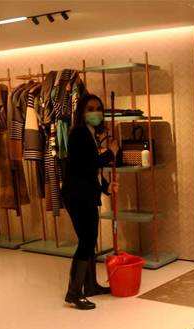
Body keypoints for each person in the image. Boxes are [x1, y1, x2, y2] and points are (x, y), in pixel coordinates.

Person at [62, 94, 119, 310]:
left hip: (84, 193)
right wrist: (111, 154)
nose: (95, 112)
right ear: (82, 113)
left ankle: (90, 286)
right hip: (78, 196)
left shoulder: (89, 133)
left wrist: (107, 188)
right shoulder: (78, 133)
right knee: (86, 241)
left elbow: (91, 171)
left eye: (98, 108)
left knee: (90, 239)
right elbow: (90, 164)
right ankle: (74, 293)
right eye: (90, 109)